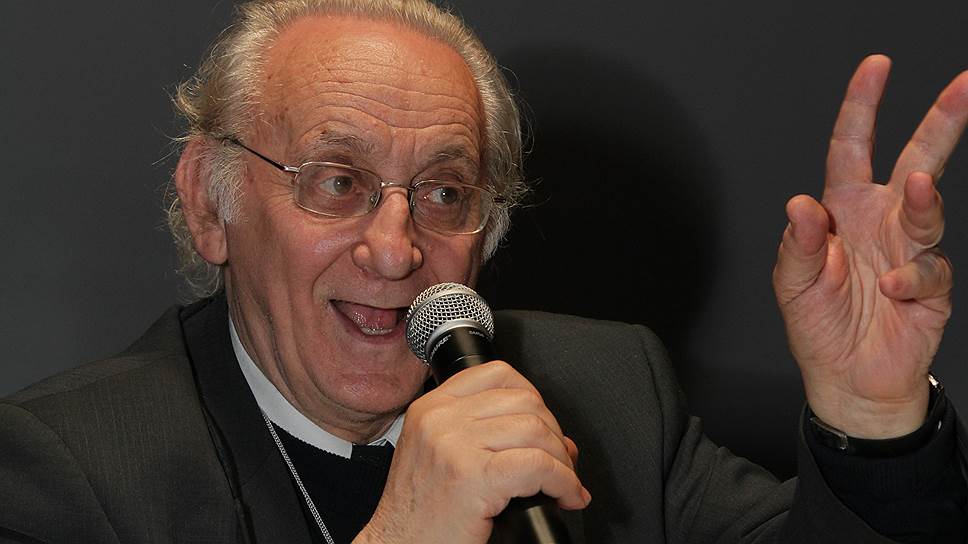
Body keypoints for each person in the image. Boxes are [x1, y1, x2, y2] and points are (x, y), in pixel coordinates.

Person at [1, 0, 966, 542]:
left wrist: (871, 421)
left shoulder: (606, 394)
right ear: (212, 205)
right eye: (338, 182)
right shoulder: (68, 470)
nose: (396, 248)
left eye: (443, 192)